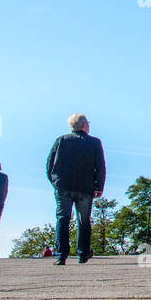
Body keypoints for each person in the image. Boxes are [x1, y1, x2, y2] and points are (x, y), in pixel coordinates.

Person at [46, 113, 106, 266]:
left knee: (62, 219)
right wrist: (99, 186)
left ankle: (61, 255)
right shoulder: (94, 142)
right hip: (85, 188)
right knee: (83, 221)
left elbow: (49, 164)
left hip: (63, 186)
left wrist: (55, 182)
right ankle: (83, 253)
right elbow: (100, 166)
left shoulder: (61, 140)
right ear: (85, 125)